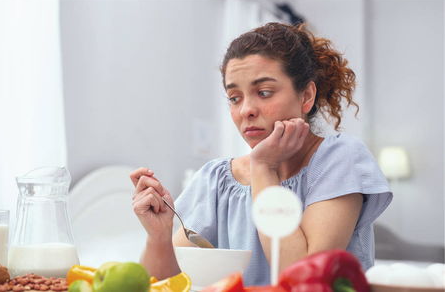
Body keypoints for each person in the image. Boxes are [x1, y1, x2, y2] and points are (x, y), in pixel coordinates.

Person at [129, 22, 392, 287]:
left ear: (306, 96)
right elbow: (165, 285)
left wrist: (264, 168)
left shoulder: (339, 159)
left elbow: (306, 281)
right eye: (234, 98)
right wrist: (159, 236)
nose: (246, 110)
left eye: (264, 92)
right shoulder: (216, 179)